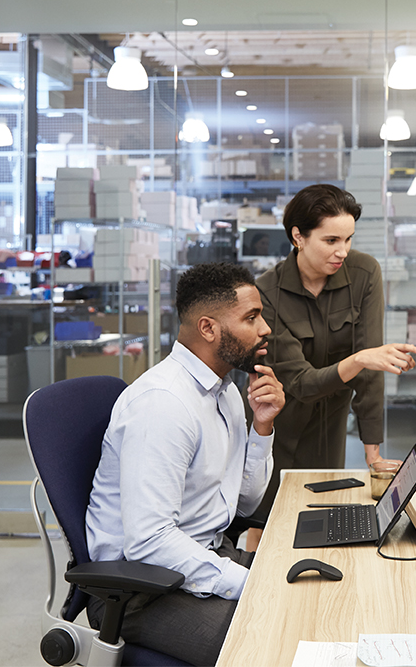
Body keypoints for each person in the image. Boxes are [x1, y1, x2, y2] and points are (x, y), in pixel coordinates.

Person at [85, 263, 285, 666]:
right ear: (208, 328)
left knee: (309, 596)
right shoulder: (164, 404)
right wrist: (247, 582)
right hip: (141, 588)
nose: (265, 329)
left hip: (201, 556)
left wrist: (262, 427)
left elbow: (243, 504)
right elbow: (149, 542)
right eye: (251, 318)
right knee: (272, 641)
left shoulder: (225, 392)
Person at [250, 184, 416, 526]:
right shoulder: (267, 292)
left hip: (330, 422)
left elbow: (371, 369)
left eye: (348, 239)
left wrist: (373, 451)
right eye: (331, 240)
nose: (342, 251)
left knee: (320, 514)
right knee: (267, 520)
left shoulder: (364, 274)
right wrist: (358, 360)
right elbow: (299, 381)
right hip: (277, 420)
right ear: (298, 236)